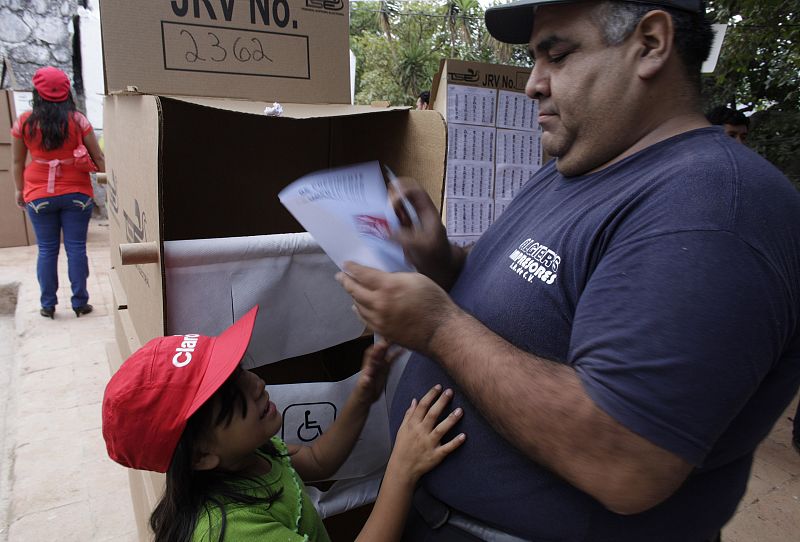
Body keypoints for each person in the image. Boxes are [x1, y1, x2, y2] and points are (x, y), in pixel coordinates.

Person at [336, 1, 800, 541]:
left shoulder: (712, 207)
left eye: (556, 55)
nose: (533, 84)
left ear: (650, 44)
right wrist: (441, 260)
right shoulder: (578, 166)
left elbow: (625, 459)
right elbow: (523, 294)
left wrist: (439, 328)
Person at [101, 305, 465, 542]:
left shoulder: (251, 456)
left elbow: (318, 461)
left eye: (240, 372)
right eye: (233, 397)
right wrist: (402, 469)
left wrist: (362, 396)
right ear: (200, 456)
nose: (257, 384)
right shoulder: (233, 532)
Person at [11, 66, 105, 319]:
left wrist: (20, 190)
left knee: (47, 249)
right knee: (76, 248)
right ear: (67, 92)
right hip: (77, 193)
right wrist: (108, 179)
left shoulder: (25, 122)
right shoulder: (78, 120)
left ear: (37, 92)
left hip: (38, 193)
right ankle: (79, 303)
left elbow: (18, 162)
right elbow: (97, 155)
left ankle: (48, 304)